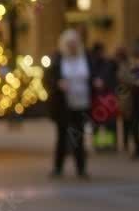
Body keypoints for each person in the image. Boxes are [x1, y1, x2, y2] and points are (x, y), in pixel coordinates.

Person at [44, 29, 98, 180]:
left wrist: (96, 82)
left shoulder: (85, 57)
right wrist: (58, 84)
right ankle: (58, 167)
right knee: (62, 136)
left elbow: (93, 74)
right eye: (70, 44)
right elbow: (48, 79)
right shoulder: (58, 59)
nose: (73, 46)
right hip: (64, 105)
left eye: (75, 43)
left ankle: (81, 168)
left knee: (79, 137)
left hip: (82, 103)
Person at [89, 42, 119, 153]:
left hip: (106, 97)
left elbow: (113, 79)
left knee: (108, 123)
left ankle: (108, 144)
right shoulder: (94, 63)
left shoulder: (108, 63)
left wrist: (103, 83)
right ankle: (101, 144)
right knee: (99, 124)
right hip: (99, 98)